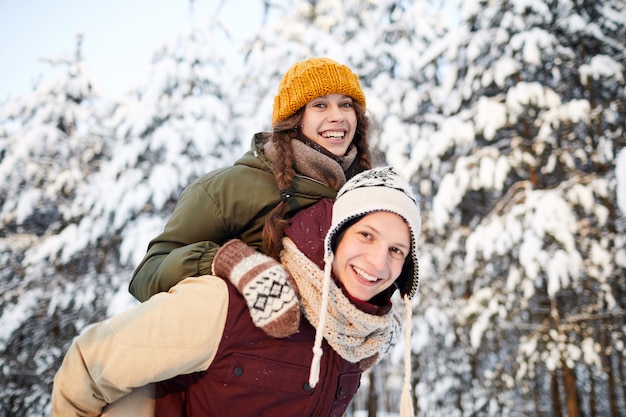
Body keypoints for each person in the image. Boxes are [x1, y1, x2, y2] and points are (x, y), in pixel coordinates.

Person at [51, 166, 421, 417]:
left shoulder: (354, 343)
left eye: (396, 251)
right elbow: (90, 362)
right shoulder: (230, 304)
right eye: (366, 235)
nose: (377, 262)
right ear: (335, 234)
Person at [129, 56, 372, 303]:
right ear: (295, 118)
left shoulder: (362, 194)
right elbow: (147, 275)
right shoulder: (230, 187)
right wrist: (227, 261)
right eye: (320, 105)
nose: (338, 116)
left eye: (345, 105)